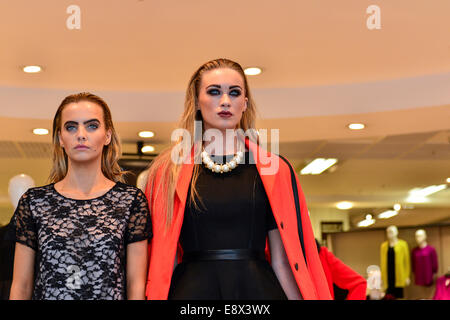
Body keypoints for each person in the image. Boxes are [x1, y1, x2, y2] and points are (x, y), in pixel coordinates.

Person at [145, 58, 331, 300]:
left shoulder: (275, 169)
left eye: (234, 93)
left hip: (258, 292)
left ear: (244, 103)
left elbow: (283, 261)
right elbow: (161, 260)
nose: (225, 101)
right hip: (191, 294)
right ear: (197, 102)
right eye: (214, 92)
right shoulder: (168, 171)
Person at [9, 92, 151, 300]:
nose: (81, 134)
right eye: (71, 127)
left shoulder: (131, 201)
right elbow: (21, 286)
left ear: (108, 135)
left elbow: (136, 285)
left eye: (92, 125)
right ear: (60, 138)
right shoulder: (34, 202)